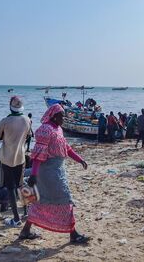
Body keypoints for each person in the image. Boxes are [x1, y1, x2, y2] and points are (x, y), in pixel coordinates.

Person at [19, 104, 90, 244]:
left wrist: (80, 160)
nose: (64, 118)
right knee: (66, 199)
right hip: (48, 172)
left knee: (40, 201)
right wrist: (33, 174)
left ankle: (25, 230)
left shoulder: (58, 129)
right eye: (61, 115)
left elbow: (67, 148)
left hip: (58, 170)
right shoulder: (46, 130)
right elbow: (38, 155)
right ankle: (73, 234)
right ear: (54, 116)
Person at [0, 96, 31, 227]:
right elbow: (29, 135)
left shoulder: (5, 121)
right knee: (21, 185)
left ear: (10, 106)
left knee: (10, 188)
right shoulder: (27, 120)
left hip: (7, 158)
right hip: (20, 156)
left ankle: (16, 219)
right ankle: (27, 212)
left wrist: (6, 134)